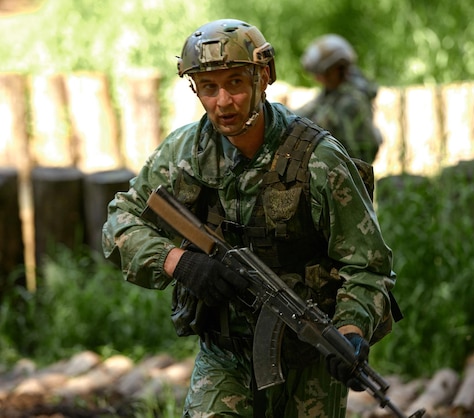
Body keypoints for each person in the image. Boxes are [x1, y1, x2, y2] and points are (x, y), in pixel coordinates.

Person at [102, 19, 395, 417]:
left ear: (264, 78)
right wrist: (180, 262)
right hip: (225, 353)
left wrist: (350, 330)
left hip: (309, 358)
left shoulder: (319, 161)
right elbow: (119, 222)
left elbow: (367, 265)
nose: (223, 101)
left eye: (236, 83)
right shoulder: (184, 153)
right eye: (208, 87)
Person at [296, 34, 383, 164]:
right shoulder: (333, 92)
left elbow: (359, 153)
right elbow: (306, 113)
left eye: (322, 74)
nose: (318, 79)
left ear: (337, 70)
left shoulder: (351, 102)